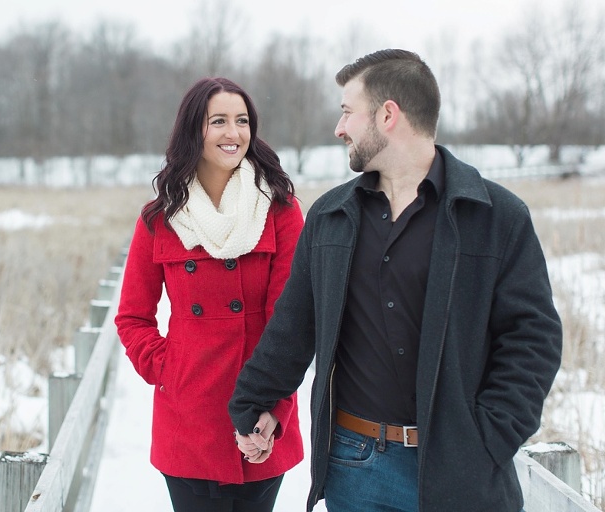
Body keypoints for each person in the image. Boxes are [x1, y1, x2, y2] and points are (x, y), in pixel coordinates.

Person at [229, 49, 563, 512]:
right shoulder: (330, 217)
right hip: (353, 465)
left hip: (458, 472)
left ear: (388, 115)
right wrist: (253, 401)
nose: (339, 128)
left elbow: (533, 339)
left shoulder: (496, 217)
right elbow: (295, 324)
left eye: (347, 112)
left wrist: (488, 440)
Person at [115, 76, 305, 512]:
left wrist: (273, 411)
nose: (233, 133)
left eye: (241, 121)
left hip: (261, 409)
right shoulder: (159, 218)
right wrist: (171, 369)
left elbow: (292, 320)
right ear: (193, 131)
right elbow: (132, 318)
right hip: (189, 421)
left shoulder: (280, 209)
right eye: (217, 121)